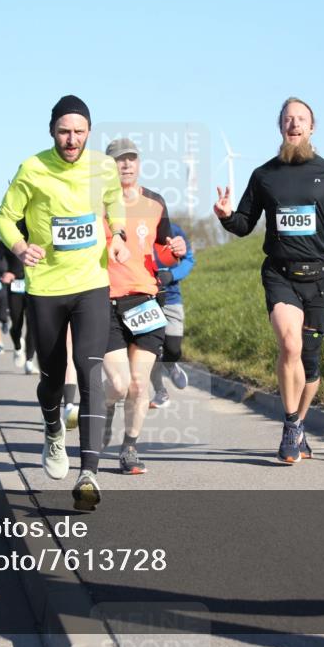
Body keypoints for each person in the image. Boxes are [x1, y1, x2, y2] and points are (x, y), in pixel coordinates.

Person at [215, 97, 324, 464]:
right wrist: (226, 217)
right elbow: (244, 224)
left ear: (312, 127)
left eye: (301, 119)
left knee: (312, 364)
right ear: (280, 126)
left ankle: (300, 422)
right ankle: (289, 425)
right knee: (289, 345)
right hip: (280, 274)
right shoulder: (264, 175)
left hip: (318, 277)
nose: (294, 124)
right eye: (288, 119)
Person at [0, 94, 128, 510]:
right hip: (45, 287)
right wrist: (18, 246)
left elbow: (113, 203)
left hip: (91, 283)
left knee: (90, 375)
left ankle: (89, 472)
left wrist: (119, 234)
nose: (71, 139)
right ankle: (53, 429)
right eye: (64, 131)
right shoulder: (32, 169)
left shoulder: (103, 168)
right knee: (52, 377)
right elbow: (3, 215)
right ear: (52, 131)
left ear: (89, 132)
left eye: (79, 132)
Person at [101, 138, 186, 474]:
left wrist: (175, 247)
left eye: (132, 159)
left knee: (138, 384)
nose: (126, 165)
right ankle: (107, 409)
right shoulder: (95, 205)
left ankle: (129, 447)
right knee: (119, 385)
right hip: (106, 302)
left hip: (146, 301)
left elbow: (163, 249)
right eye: (119, 160)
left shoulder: (155, 202)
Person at [149, 222, 195, 409]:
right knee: (150, 350)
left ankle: (170, 364)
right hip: (143, 299)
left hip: (171, 298)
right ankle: (161, 392)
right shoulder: (133, 229)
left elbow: (189, 260)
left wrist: (172, 275)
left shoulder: (173, 230)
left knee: (173, 349)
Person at [0, 220, 37, 373]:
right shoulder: (10, 234)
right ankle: (17, 346)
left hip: (34, 284)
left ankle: (29, 361)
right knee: (16, 323)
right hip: (15, 286)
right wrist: (5, 271)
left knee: (33, 325)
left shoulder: (37, 230)